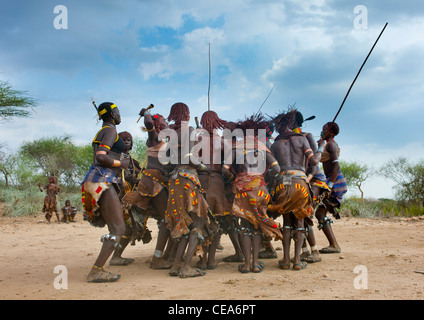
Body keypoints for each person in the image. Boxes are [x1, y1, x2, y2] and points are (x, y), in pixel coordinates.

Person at [268, 109, 324, 271]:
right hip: (300, 183)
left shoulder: (276, 144)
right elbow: (313, 161)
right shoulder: (301, 140)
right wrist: (320, 147)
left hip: (283, 184)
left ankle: (285, 260)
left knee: (286, 223)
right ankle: (298, 260)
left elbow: (274, 170)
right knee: (300, 221)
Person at [81, 102, 130, 283]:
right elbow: (101, 157)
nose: (119, 114)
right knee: (119, 228)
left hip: (99, 178)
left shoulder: (102, 132)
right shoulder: (110, 131)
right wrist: (121, 164)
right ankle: (96, 271)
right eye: (117, 111)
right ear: (111, 114)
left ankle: (98, 269)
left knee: (115, 227)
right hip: (103, 179)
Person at [164, 102, 213, 278]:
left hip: (174, 180)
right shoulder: (190, 130)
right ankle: (186, 267)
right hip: (188, 180)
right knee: (198, 222)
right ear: (186, 114)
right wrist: (204, 166)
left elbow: (169, 161)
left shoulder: (172, 134)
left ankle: (176, 266)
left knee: (184, 222)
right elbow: (192, 159)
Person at [230, 113, 282, 274]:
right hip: (259, 188)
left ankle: (246, 264)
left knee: (245, 225)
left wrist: (235, 177)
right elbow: (277, 169)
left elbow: (224, 169)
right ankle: (254, 263)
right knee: (258, 225)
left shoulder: (236, 147)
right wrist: (263, 177)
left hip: (241, 190)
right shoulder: (262, 147)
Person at [123, 110, 174, 269]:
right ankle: (157, 259)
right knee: (166, 220)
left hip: (157, 181)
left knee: (165, 219)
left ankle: (165, 255)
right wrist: (147, 112)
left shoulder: (161, 140)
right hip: (153, 182)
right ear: (158, 124)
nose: (167, 122)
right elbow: (148, 123)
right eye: (164, 120)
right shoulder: (154, 137)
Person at [195, 110, 233, 270]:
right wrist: (228, 175)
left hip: (200, 181)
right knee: (216, 222)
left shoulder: (196, 138)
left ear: (203, 122)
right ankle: (211, 260)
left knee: (200, 222)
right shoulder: (223, 142)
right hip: (217, 182)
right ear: (217, 122)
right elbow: (226, 170)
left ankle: (202, 260)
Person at [109, 131, 143, 266]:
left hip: (128, 200)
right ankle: (115, 256)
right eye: (124, 139)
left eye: (129, 139)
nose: (127, 141)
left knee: (128, 228)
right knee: (122, 229)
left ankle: (116, 255)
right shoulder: (114, 158)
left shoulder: (131, 160)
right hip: (117, 198)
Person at [315, 122, 348, 254]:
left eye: (324, 129)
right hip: (331, 180)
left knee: (320, 213)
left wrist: (330, 185)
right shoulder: (326, 144)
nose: (322, 131)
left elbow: (336, 166)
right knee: (320, 213)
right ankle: (333, 244)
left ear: (331, 132)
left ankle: (334, 245)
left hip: (335, 181)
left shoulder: (332, 145)